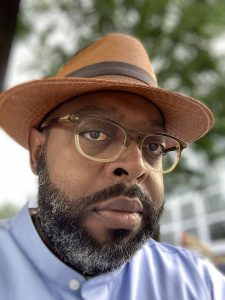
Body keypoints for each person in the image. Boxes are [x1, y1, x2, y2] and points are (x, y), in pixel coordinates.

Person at [0, 32, 224, 300]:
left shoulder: (199, 286)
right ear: (38, 152)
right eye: (95, 134)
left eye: (153, 147)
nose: (135, 165)